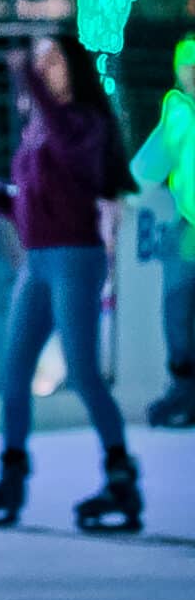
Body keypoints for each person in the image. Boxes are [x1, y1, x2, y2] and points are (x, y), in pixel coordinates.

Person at [0, 35, 141, 534]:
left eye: (53, 60)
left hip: (76, 260)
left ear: (73, 68)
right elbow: (22, 208)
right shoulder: (38, 134)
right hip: (39, 262)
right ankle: (10, 474)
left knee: (84, 372)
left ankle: (120, 476)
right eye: (39, 62)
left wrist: (25, 76)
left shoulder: (84, 127)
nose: (43, 68)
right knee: (13, 374)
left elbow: (66, 137)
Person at [131, 37, 195, 429]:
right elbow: (147, 167)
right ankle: (183, 389)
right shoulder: (179, 115)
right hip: (187, 228)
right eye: (186, 65)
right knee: (178, 311)